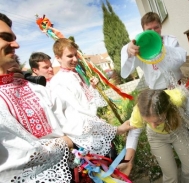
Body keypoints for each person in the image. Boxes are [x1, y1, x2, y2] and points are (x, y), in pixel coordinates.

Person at [0, 13, 132, 182]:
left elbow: (73, 119)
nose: (16, 45)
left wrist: (114, 129)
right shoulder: (56, 83)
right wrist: (66, 142)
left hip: (75, 160)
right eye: (5, 38)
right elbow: (16, 159)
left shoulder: (37, 90)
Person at [120, 11, 189, 180]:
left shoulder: (169, 40)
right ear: (143, 30)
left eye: (156, 28)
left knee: (187, 126)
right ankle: (172, 165)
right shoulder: (139, 46)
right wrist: (129, 52)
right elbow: (125, 72)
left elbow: (180, 58)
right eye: (149, 29)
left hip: (175, 89)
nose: (154, 31)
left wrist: (160, 47)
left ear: (160, 27)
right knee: (162, 125)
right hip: (156, 94)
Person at [117, 89, 189, 183]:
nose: (153, 125)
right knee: (171, 176)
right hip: (156, 137)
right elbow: (134, 133)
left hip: (178, 131)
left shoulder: (175, 99)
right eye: (148, 121)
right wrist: (128, 161)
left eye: (158, 121)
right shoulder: (139, 111)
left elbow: (186, 99)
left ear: (166, 110)